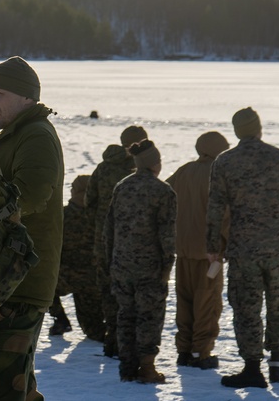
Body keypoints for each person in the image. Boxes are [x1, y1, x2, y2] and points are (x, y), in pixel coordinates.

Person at [0, 56, 64, 401]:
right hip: (7, 281)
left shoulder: (36, 135)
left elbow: (32, 194)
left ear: (27, 97)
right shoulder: (18, 134)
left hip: (19, 283)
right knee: (14, 386)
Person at [207, 107, 279, 389]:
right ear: (259, 128)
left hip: (244, 249)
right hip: (278, 249)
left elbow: (215, 208)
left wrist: (213, 246)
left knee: (246, 308)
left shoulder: (225, 162)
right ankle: (276, 363)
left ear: (237, 131)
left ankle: (252, 368)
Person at [105, 139, 176, 384]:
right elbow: (167, 235)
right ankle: (147, 368)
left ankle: (127, 367)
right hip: (150, 267)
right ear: (154, 163)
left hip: (121, 265)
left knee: (125, 314)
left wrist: (111, 261)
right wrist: (167, 265)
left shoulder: (122, 187)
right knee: (149, 316)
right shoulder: (162, 191)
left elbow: (109, 229)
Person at [165, 130, 230, 370]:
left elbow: (164, 198)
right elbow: (226, 217)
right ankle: (201, 353)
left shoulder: (183, 172)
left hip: (182, 252)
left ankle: (184, 350)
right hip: (209, 255)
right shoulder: (219, 175)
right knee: (207, 303)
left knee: (185, 301)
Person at [86, 124, 148, 357]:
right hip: (132, 244)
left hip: (102, 241)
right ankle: (129, 342)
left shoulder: (103, 167)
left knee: (108, 290)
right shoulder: (140, 170)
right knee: (131, 292)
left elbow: (89, 201)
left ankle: (112, 338)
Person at [48, 174, 105, 342]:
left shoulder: (61, 216)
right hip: (93, 282)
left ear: (74, 191)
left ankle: (60, 318)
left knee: (39, 284)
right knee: (94, 332)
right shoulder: (100, 217)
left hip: (63, 277)